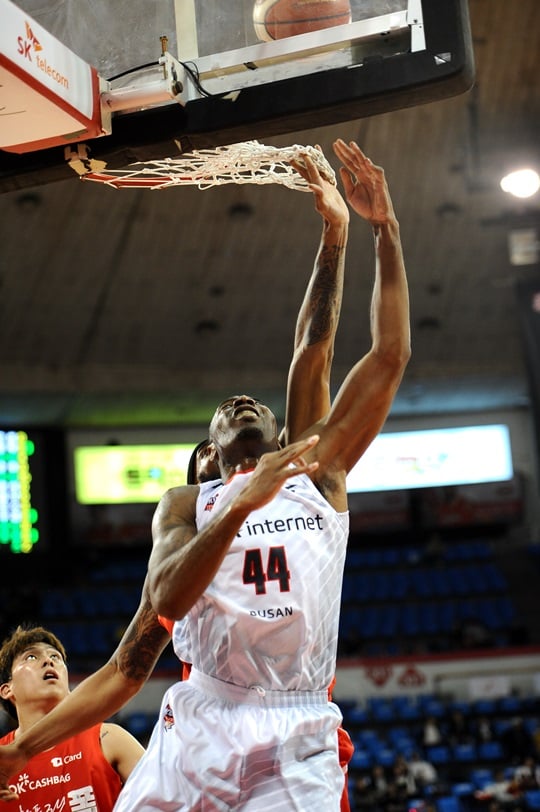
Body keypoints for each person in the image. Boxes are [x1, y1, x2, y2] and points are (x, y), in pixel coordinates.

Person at [0, 139, 410, 810]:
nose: (237, 402)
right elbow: (146, 630)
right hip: (202, 718)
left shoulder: (313, 467)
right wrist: (239, 505)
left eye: (249, 404)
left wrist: (368, 228)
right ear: (208, 460)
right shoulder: (189, 505)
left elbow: (353, 349)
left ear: (281, 435)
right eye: (220, 413)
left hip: (295, 722)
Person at [0, 624, 144, 810]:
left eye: (55, 657)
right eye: (31, 656)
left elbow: (166, 798)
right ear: (6, 689)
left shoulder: (108, 738)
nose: (48, 661)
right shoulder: (2, 758)